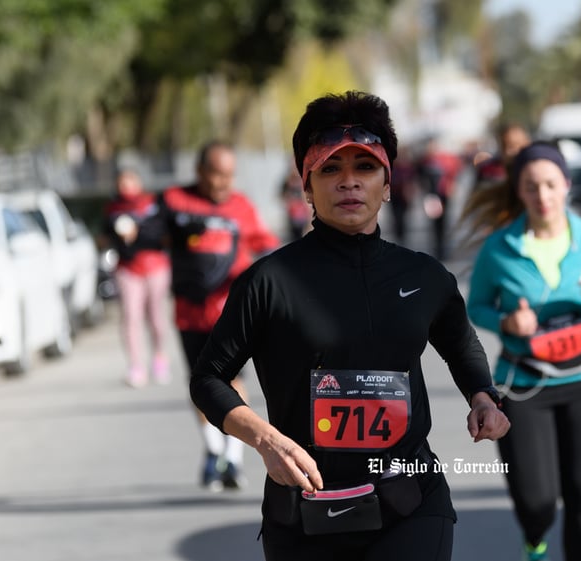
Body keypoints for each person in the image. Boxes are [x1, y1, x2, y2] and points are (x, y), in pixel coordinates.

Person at [189, 91, 511, 561]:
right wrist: (265, 439)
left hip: (410, 498)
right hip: (305, 506)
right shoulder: (268, 282)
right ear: (307, 184)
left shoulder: (423, 276)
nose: (348, 182)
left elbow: (460, 345)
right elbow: (208, 379)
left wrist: (483, 396)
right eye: (330, 169)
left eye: (364, 168)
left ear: (386, 184)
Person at [465, 141, 581, 561]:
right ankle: (534, 542)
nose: (543, 196)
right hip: (523, 387)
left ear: (567, 185)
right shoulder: (500, 248)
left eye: (551, 185)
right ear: (519, 191)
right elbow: (476, 306)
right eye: (532, 186)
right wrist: (507, 322)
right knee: (537, 505)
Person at [159, 141, 280, 491]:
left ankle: (233, 456)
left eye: (229, 175)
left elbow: (266, 244)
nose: (222, 183)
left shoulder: (241, 206)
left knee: (232, 381)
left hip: (233, 315)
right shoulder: (175, 201)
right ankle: (213, 452)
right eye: (216, 174)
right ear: (200, 172)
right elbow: (151, 234)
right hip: (190, 314)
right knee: (200, 385)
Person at [101, 169, 171, 388]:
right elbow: (105, 235)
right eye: (121, 182)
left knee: (156, 317)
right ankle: (136, 366)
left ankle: (159, 356)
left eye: (129, 181)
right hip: (128, 269)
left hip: (155, 266)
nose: (125, 186)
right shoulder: (112, 209)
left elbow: (162, 233)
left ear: (138, 182)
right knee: (131, 316)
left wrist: (137, 231)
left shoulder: (152, 204)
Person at [417, 138, 465, 260]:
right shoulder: (425, 160)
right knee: (435, 222)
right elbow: (419, 176)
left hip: (444, 194)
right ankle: (437, 246)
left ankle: (444, 246)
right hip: (432, 196)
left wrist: (452, 184)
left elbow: (456, 171)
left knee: (444, 221)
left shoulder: (446, 158)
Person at [474, 122, 531, 191]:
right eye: (504, 146)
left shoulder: (535, 171)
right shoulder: (488, 170)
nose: (508, 152)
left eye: (514, 146)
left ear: (527, 144)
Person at [280, 164, 312, 242]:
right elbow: (282, 195)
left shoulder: (303, 182)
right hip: (293, 214)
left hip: (303, 213)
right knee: (294, 236)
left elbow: (307, 197)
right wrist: (289, 201)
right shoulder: (287, 182)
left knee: (303, 234)